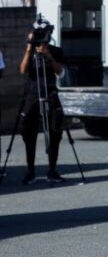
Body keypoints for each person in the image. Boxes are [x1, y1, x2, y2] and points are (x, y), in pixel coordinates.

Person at [19, 26, 66, 185]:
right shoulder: (30, 51)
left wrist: (49, 56)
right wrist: (28, 49)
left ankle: (52, 170)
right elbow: (23, 70)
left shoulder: (56, 51)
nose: (39, 42)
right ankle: (30, 171)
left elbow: (60, 72)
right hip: (32, 94)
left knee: (55, 130)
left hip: (50, 93)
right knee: (28, 131)